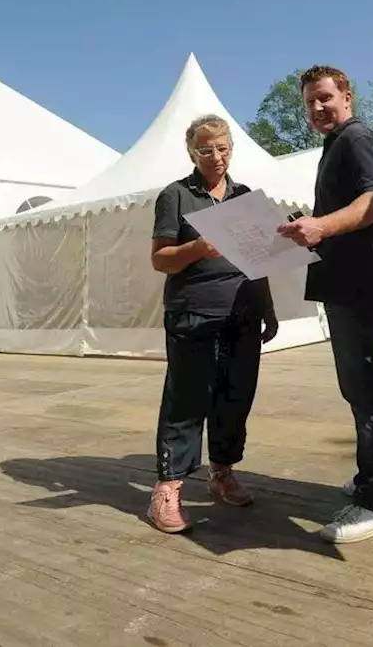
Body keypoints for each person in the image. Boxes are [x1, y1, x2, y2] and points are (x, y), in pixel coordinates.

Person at [277, 65, 373, 544]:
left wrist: (322, 227)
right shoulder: (336, 144)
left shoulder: (356, 138)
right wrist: (309, 227)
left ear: (347, 96)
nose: (317, 109)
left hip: (358, 283)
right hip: (344, 280)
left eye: (325, 98)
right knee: (364, 386)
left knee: (364, 387)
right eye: (310, 102)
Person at [146, 114, 279, 534]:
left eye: (223, 148)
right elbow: (159, 259)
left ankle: (222, 472)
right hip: (193, 313)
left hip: (243, 314)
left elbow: (262, 261)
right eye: (206, 149)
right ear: (191, 152)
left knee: (235, 397)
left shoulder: (246, 198)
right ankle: (168, 488)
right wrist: (196, 248)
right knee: (187, 400)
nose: (216, 156)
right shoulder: (176, 196)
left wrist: (268, 308)